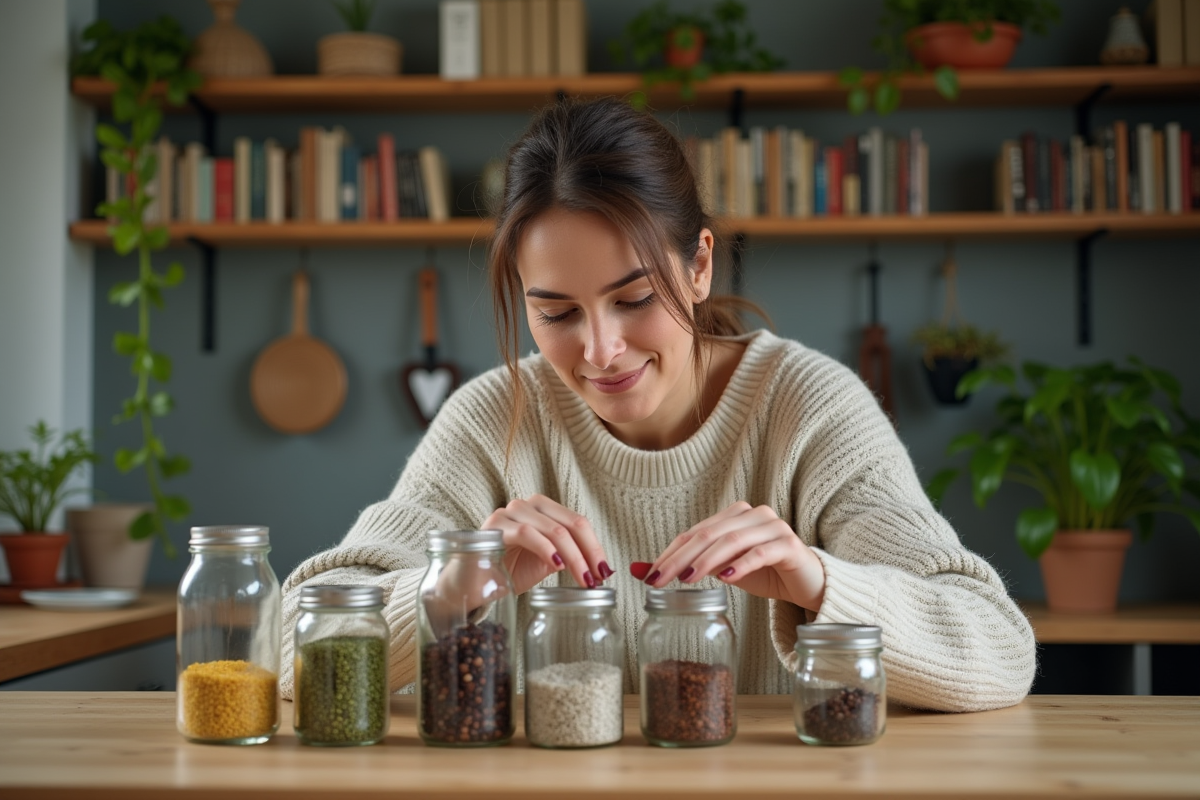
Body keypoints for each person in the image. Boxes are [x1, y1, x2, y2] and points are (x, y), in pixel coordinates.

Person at [280, 97, 1035, 712]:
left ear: (701, 264)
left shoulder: (810, 408)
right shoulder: (491, 420)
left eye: (633, 298)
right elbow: (282, 650)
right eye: (557, 313)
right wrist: (444, 590)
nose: (600, 350)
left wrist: (817, 582)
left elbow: (999, 651)